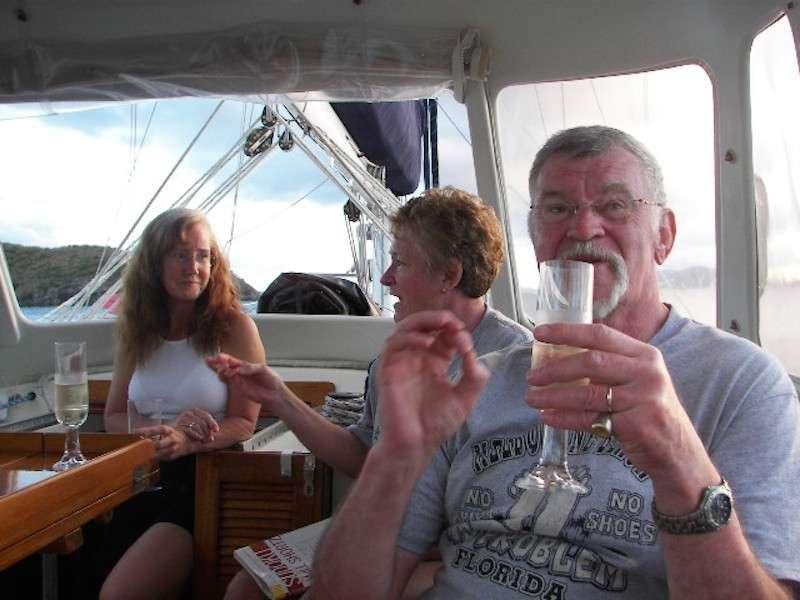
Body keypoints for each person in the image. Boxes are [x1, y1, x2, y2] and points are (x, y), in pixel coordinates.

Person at [312, 126, 800, 599]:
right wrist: (394, 455)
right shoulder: (479, 378)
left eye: (614, 205)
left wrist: (678, 458)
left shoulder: (740, 382)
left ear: (663, 237)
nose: (583, 227)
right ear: (536, 237)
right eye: (557, 208)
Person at [208, 186, 533, 599]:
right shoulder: (397, 358)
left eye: (400, 262)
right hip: (386, 532)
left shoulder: (512, 364)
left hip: (454, 550)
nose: (385, 278)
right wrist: (279, 399)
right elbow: (364, 455)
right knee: (244, 589)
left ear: (449, 276)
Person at [100, 207, 266, 600]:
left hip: (199, 487)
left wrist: (188, 441)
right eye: (180, 254)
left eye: (203, 255)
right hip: (136, 479)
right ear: (153, 263)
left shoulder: (234, 327)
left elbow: (245, 421)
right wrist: (152, 434)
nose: (194, 266)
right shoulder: (137, 330)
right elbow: (113, 415)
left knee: (118, 595)